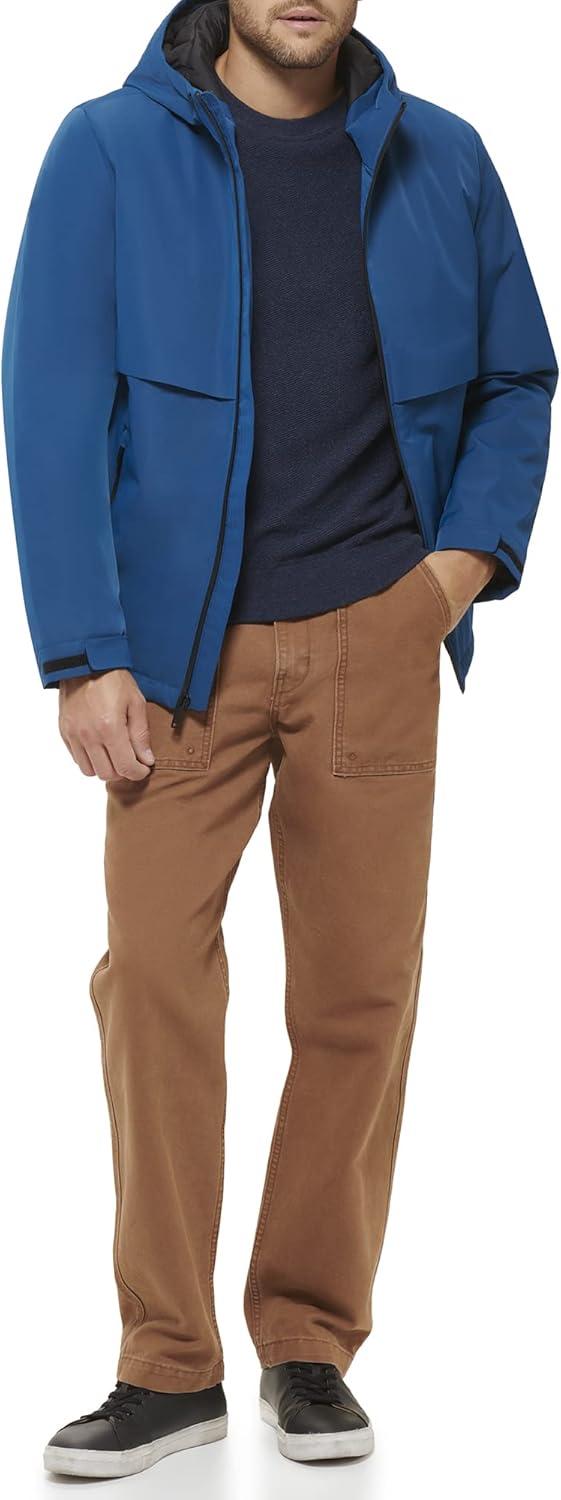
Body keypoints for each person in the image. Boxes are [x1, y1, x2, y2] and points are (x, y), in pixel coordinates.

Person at [3, 0, 557, 1480]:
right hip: (173, 658)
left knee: (360, 995)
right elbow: (48, 404)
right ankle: (166, 1364)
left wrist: (452, 576)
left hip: (376, 637)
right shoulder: (107, 150)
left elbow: (518, 376)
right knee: (154, 983)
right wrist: (83, 652)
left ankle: (307, 1341)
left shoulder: (444, 157)